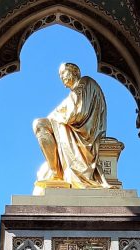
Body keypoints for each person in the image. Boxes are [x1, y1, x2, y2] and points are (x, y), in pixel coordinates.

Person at [33, 63, 109, 193]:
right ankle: (55, 172)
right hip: (73, 131)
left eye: (63, 73)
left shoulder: (85, 83)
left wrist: (56, 117)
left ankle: (56, 173)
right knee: (39, 125)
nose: (61, 77)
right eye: (60, 75)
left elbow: (78, 113)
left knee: (40, 124)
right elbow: (63, 112)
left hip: (84, 135)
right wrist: (56, 117)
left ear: (75, 71)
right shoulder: (76, 91)